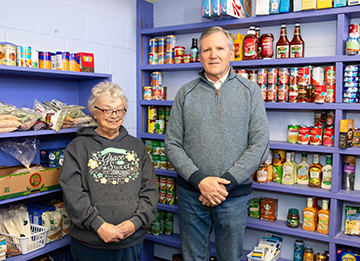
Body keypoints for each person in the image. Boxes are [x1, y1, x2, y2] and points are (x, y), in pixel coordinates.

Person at [164, 26, 270, 261]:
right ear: (199, 55)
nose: (213, 55)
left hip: (233, 196)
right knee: (193, 257)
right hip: (192, 194)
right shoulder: (185, 93)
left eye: (220, 48)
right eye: (207, 49)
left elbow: (260, 144)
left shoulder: (250, 91)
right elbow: (172, 144)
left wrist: (225, 185)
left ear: (231, 53)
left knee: (229, 257)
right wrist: (200, 181)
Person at [60, 81, 158, 261]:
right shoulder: (78, 147)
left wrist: (134, 223)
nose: (113, 116)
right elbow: (73, 194)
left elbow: (150, 190)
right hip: (89, 243)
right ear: (94, 113)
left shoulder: (136, 146)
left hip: (130, 240)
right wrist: (98, 225)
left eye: (119, 110)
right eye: (106, 110)